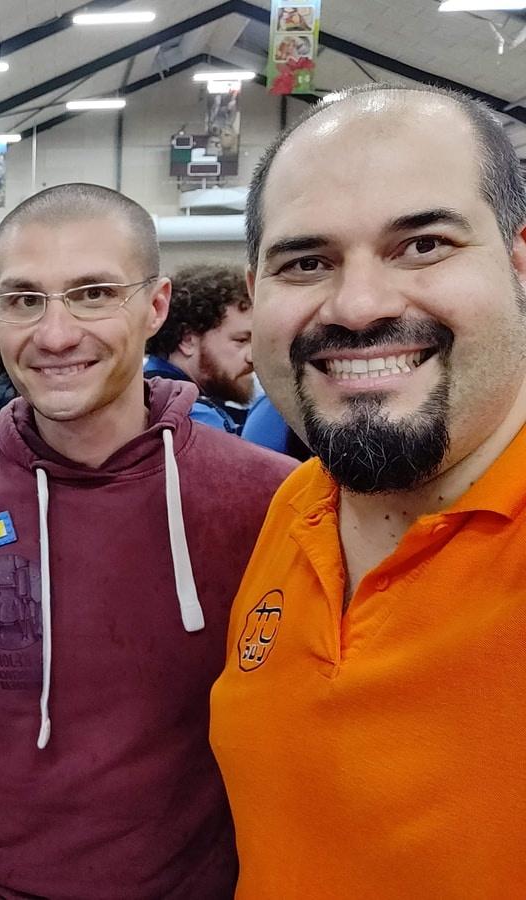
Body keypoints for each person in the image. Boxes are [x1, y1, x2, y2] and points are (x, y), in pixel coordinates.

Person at [0, 183, 295, 899]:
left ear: (155, 306)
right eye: (24, 299)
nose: (56, 334)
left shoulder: (269, 499)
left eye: (93, 294)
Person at [209, 83, 526, 898]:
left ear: (518, 260)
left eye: (421, 245)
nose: (356, 306)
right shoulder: (297, 507)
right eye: (307, 262)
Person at [145, 263, 254, 433]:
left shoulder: (145, 394)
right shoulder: (193, 417)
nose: (253, 357)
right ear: (187, 340)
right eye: (241, 340)